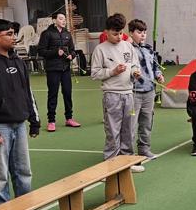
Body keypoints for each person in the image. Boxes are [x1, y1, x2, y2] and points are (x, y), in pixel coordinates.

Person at [0, 18, 49, 210]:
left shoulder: (18, 61)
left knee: (23, 171)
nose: (14, 37)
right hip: (0, 127)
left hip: (20, 125)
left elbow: (27, 93)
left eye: (13, 33)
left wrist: (34, 120)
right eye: (9, 34)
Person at [90, 14, 143, 171]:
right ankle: (111, 164)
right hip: (112, 95)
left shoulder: (128, 47)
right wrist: (112, 71)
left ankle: (127, 161)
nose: (119, 37)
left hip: (129, 94)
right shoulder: (100, 49)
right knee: (113, 130)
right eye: (115, 34)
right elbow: (95, 74)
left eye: (121, 33)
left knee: (129, 129)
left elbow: (135, 65)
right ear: (106, 32)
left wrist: (135, 72)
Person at [37, 11, 81, 132]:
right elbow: (41, 51)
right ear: (54, 20)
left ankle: (69, 118)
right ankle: (51, 121)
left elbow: (73, 50)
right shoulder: (47, 34)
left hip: (65, 69)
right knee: (53, 94)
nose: (64, 21)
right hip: (52, 69)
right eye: (61, 19)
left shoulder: (67, 34)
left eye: (64, 19)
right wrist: (55, 52)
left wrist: (71, 56)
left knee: (67, 93)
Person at [129, 18, 163, 159]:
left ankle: (144, 149)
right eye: (139, 32)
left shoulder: (149, 48)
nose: (143, 35)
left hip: (149, 91)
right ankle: (129, 153)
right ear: (131, 33)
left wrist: (158, 75)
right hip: (134, 91)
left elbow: (155, 66)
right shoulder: (128, 49)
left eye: (144, 32)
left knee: (147, 122)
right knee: (131, 124)